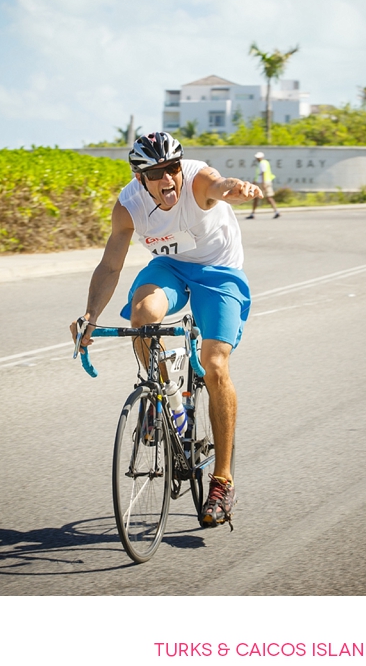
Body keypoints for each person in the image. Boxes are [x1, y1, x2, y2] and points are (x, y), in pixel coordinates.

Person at [69, 132, 263, 528]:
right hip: (170, 269)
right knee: (142, 317)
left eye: (172, 168)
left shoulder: (196, 181)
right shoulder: (129, 207)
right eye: (156, 173)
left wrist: (234, 188)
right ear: (140, 179)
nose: (168, 178)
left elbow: (219, 184)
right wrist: (90, 316)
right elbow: (110, 266)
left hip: (219, 272)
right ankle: (168, 401)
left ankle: (223, 481)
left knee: (214, 364)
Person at [248, 151, 280, 219]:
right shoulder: (264, 162)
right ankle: (276, 211)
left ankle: (252, 213)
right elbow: (258, 174)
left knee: (257, 198)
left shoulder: (262, 163)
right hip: (264, 181)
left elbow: (263, 173)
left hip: (262, 182)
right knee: (268, 197)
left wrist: (263, 184)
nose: (257, 158)